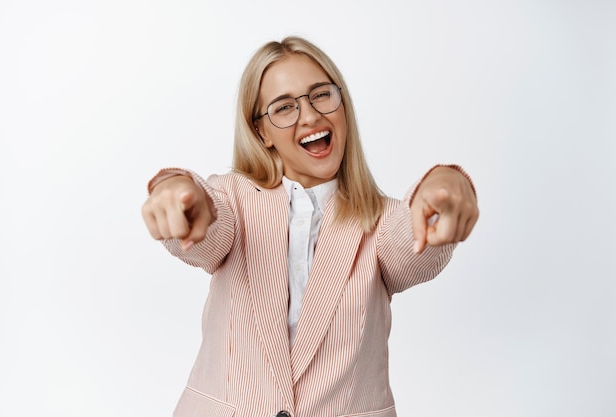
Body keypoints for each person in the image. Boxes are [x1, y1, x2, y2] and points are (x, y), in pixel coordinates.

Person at [142, 36, 478, 417]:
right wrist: (176, 190)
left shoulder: (382, 221)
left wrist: (444, 184)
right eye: (284, 107)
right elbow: (206, 222)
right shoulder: (232, 200)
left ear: (343, 106)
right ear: (262, 133)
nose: (310, 116)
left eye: (321, 95)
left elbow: (414, 244)